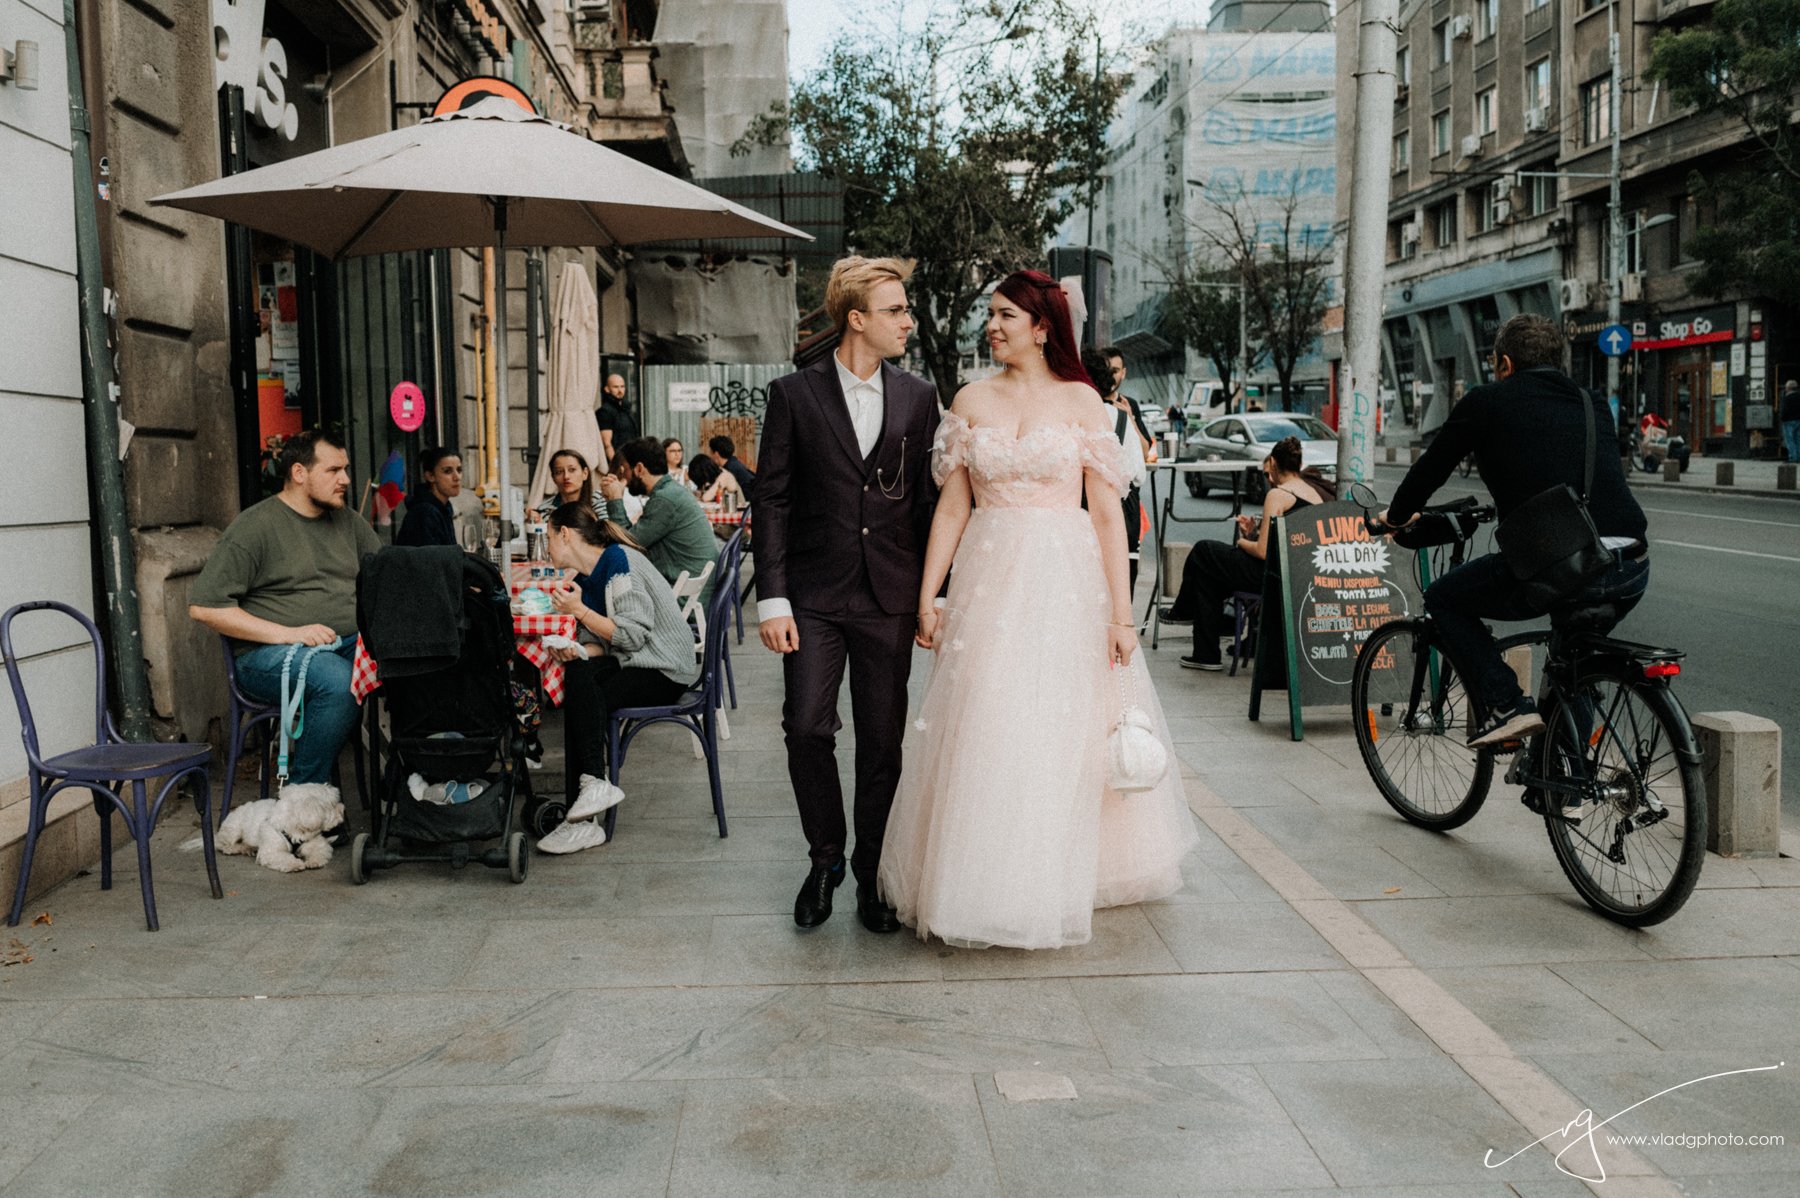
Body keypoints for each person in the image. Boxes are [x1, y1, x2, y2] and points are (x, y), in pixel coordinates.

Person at [877, 270, 1198, 950]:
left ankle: (1056, 875)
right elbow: (954, 506)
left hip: (1065, 577)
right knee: (988, 718)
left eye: (1005, 316)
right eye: (989, 315)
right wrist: (929, 594)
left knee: (1059, 722)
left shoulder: (1084, 404)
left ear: (1043, 326)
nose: (992, 326)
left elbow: (1109, 517)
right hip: (989, 579)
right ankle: (981, 878)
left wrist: (1121, 615)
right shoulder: (969, 398)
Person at [756, 255, 942, 934]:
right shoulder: (793, 395)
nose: (908, 321)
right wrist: (772, 599)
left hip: (888, 595)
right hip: (811, 595)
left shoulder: (919, 398)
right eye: (896, 310)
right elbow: (771, 500)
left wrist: (933, 597)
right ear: (857, 319)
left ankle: (871, 877)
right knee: (806, 726)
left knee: (882, 744)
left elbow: (926, 504)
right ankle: (825, 856)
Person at [1384, 313, 1649, 746]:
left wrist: (1394, 518)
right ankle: (1569, 786)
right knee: (1573, 659)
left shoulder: (1486, 401)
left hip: (1564, 563)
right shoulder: (1591, 400)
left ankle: (1505, 704)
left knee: (1444, 597)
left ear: (1504, 364)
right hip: (1630, 565)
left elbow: (1429, 471)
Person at [189, 429, 379, 787]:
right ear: (299, 473)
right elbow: (204, 608)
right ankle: (302, 799)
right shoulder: (254, 526)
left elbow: (386, 574)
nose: (346, 479)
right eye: (334, 470)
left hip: (346, 642)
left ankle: (423, 786)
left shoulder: (348, 521)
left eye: (346, 469)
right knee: (339, 684)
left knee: (423, 660)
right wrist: (291, 634)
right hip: (267, 656)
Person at [535, 504, 699, 854]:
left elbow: (632, 635)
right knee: (578, 675)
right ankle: (588, 797)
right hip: (634, 662)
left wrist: (579, 612)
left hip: (665, 667)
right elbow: (600, 643)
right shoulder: (586, 577)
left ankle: (587, 806)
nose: (547, 547)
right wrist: (577, 650)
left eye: (548, 537)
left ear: (565, 534)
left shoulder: (618, 562)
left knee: (583, 693)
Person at [1159, 437, 1329, 671]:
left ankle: (1185, 615)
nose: (1268, 480)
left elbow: (1262, 551)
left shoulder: (1278, 494)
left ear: (1273, 463)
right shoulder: (1313, 495)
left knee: (1203, 550)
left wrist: (1241, 541)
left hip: (1271, 574)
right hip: (1297, 574)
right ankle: (1204, 653)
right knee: (1207, 578)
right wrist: (1253, 532)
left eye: (1268, 474)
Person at [599, 435, 720, 603]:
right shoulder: (670, 491)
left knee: (606, 591)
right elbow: (634, 540)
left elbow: (626, 546)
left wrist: (614, 501)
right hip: (692, 591)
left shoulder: (665, 499)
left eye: (624, 470)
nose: (623, 480)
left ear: (639, 468)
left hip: (683, 600)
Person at [1081, 347, 1149, 590]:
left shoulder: (1126, 409)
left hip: (1077, 515)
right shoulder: (1117, 416)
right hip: (1116, 511)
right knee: (1117, 578)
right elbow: (1137, 474)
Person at [396, 447, 463, 547]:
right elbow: (432, 560)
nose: (457, 477)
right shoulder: (425, 513)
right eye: (447, 471)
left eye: (459, 470)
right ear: (430, 476)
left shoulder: (443, 508)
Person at [535, 449, 605, 518]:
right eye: (559, 472)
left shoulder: (598, 499)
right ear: (553, 478)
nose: (566, 476)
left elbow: (606, 528)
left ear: (585, 473)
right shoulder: (545, 509)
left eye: (572, 470)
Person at [596, 373, 639, 460]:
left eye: (622, 386)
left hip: (631, 456)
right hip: (617, 459)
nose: (620, 390)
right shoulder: (605, 411)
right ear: (607, 389)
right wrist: (616, 465)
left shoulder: (626, 408)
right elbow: (607, 443)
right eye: (615, 387)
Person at [708, 435, 757, 503]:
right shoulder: (733, 463)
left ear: (716, 454)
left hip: (748, 506)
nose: (710, 456)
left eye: (711, 453)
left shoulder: (730, 469)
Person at [1782, 380, 1800, 464]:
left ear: (1788, 388)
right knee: (1797, 439)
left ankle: (1793, 457)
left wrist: (1782, 418)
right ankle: (1798, 456)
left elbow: (1785, 410)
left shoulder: (1787, 398)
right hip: (1798, 420)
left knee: (1790, 440)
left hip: (1789, 421)